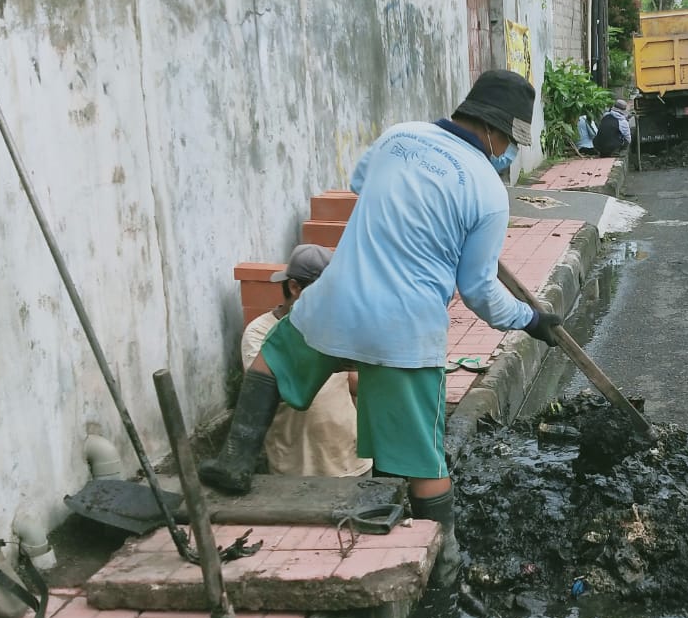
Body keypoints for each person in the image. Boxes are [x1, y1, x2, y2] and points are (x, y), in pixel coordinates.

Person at [198, 69, 561, 544]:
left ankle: (235, 462)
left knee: (272, 362)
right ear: (495, 131)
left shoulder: (399, 136)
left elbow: (359, 182)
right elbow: (480, 291)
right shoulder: (489, 193)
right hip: (404, 331)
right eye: (510, 140)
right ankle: (441, 566)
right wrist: (531, 318)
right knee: (422, 459)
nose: (508, 152)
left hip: (336, 302)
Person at [239, 244, 372, 479]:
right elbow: (267, 393)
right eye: (327, 291)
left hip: (350, 461)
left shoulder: (337, 323)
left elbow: (352, 383)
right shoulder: (261, 333)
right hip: (295, 468)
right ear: (294, 287)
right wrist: (328, 360)